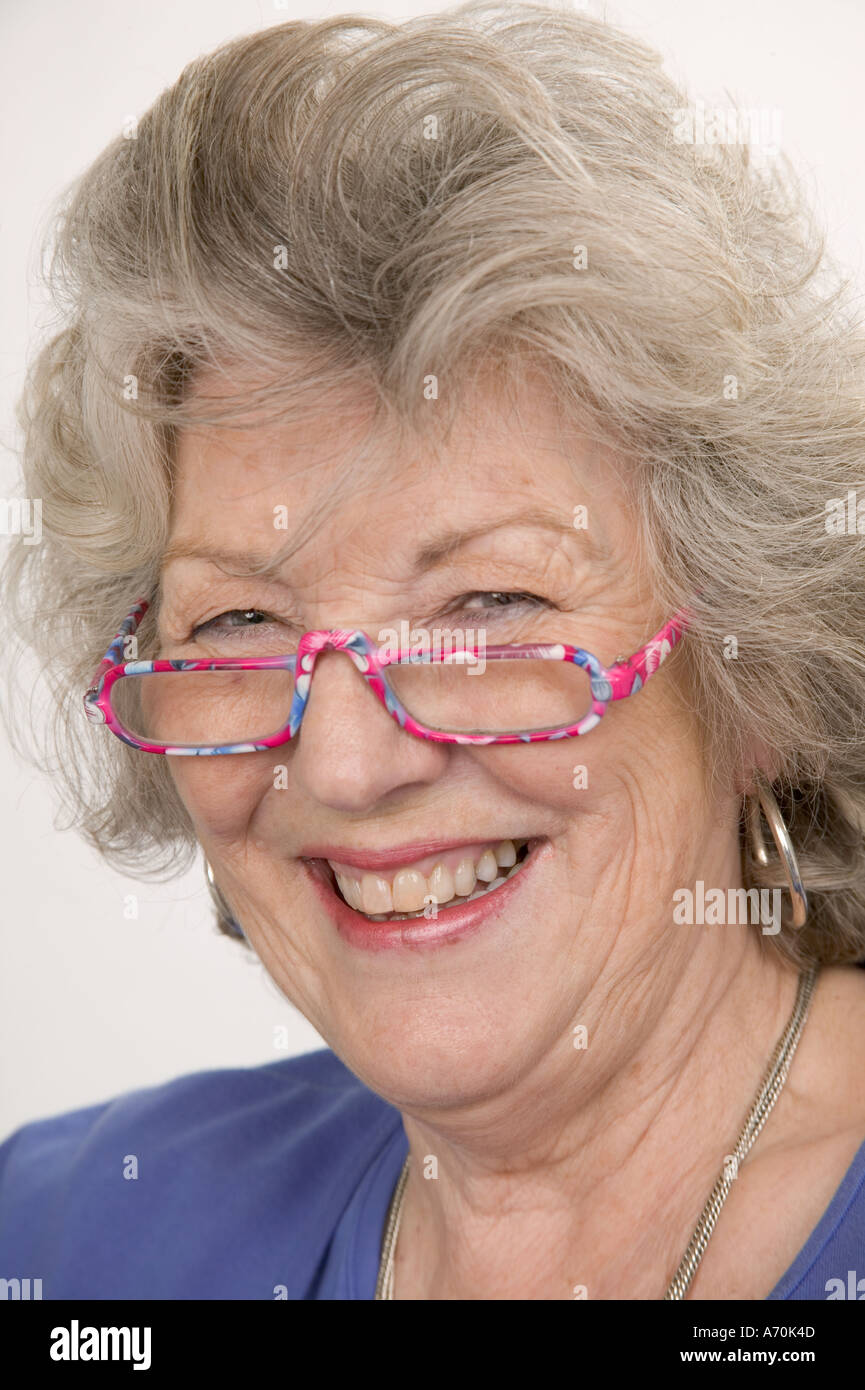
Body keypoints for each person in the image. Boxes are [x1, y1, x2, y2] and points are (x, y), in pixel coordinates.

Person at [2, 0, 865, 1300]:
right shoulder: (69, 1240)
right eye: (238, 622)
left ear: (763, 675)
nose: (345, 761)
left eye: (487, 605)